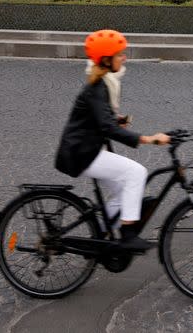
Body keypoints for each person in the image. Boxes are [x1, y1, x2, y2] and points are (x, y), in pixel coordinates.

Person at [55, 29, 170, 251]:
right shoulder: (97, 87)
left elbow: (101, 119)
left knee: (123, 191)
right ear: (106, 60)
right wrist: (150, 139)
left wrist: (116, 120)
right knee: (136, 173)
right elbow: (106, 126)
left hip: (84, 149)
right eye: (119, 54)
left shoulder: (101, 84)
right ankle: (127, 234)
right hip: (82, 154)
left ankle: (100, 236)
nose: (124, 57)